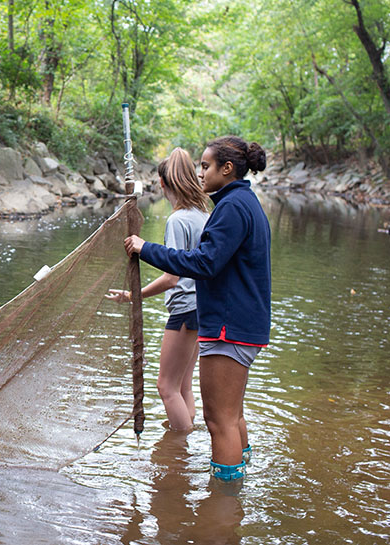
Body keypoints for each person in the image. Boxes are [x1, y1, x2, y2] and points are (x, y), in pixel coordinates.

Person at [123, 136, 271, 483]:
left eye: (205, 166)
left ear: (227, 169)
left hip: (228, 325)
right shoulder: (242, 202)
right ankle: (237, 486)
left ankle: (223, 502)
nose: (199, 173)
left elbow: (204, 263)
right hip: (240, 323)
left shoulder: (233, 207)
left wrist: (146, 249)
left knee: (219, 421)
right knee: (232, 417)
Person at [106, 148, 209, 431]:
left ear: (162, 184)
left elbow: (172, 278)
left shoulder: (178, 220)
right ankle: (183, 451)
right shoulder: (202, 214)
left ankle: (178, 451)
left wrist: (131, 296)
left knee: (166, 387)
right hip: (202, 309)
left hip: (185, 312)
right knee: (183, 386)